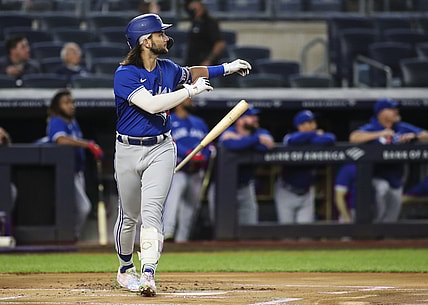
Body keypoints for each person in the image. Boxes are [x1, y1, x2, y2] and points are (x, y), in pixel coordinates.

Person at [113, 13, 251, 297]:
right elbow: (151, 104)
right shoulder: (124, 75)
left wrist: (226, 68)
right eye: (160, 34)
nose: (165, 37)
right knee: (129, 216)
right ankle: (126, 268)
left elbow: (192, 72)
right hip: (127, 150)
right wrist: (189, 92)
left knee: (152, 212)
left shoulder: (167, 68)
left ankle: (148, 272)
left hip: (162, 147)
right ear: (145, 40)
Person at [349, 98, 428, 222]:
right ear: (381, 113)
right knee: (382, 190)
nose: (396, 111)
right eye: (392, 109)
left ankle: (384, 239)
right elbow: (354, 137)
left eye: (396, 109)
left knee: (391, 218)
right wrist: (380, 134)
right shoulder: (373, 126)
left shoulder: (401, 127)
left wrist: (415, 136)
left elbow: (426, 135)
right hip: (376, 177)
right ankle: (372, 234)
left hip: (396, 178)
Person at [46, 89, 104, 240]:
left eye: (72, 102)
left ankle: (72, 236)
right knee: (83, 207)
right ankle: (71, 237)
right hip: (64, 172)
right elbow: (59, 139)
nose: (71, 106)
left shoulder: (73, 122)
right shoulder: (56, 121)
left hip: (77, 170)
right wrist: (87, 144)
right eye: (66, 103)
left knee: (76, 208)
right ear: (58, 106)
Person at [162, 87, 211, 243]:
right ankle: (167, 234)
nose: (191, 99)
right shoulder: (169, 121)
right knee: (173, 201)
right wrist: (189, 153)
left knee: (191, 208)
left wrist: (203, 155)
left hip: (197, 171)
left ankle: (183, 240)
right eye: (187, 97)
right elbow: (169, 142)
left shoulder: (199, 122)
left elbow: (209, 144)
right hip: (178, 170)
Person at [274, 110, 336, 224]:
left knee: (305, 235)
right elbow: (292, 140)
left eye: (314, 121)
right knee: (287, 235)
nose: (314, 125)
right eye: (309, 122)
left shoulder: (315, 140)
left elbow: (330, 138)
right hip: (286, 191)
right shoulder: (290, 137)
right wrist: (314, 134)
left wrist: (311, 136)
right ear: (300, 126)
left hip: (307, 192)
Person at [217, 107, 274, 225]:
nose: (255, 119)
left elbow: (268, 145)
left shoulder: (259, 132)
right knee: (223, 226)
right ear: (240, 120)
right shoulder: (228, 131)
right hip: (224, 187)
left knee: (249, 224)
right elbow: (231, 144)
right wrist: (256, 140)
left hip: (246, 186)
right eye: (251, 117)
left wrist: (247, 140)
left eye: (255, 116)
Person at [184, 0, 226, 66]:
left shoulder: (210, 22)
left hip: (205, 64)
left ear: (201, 4)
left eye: (194, 3)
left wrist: (208, 60)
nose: (191, 6)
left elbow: (219, 43)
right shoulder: (195, 21)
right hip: (192, 63)